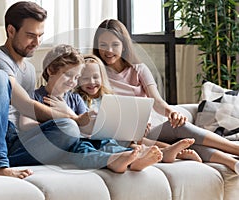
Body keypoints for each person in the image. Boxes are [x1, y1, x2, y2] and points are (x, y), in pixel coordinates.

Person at [0, 1, 89, 179]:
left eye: (40, 35)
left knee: (69, 129)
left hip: (12, 140)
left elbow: (25, 118)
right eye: (31, 35)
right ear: (11, 31)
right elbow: (25, 105)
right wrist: (73, 117)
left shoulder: (30, 70)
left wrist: (71, 123)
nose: (37, 42)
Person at [92, 18, 239, 174]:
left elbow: (157, 101)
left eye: (114, 45)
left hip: (150, 129)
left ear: (124, 46)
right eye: (103, 45)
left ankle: (234, 151)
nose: (108, 50)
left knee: (179, 126)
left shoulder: (138, 69)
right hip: (124, 136)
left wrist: (172, 113)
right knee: (184, 143)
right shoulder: (96, 73)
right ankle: (229, 162)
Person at [28, 44, 163, 173]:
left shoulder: (74, 99)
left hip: (83, 140)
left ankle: (133, 158)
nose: (72, 82)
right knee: (81, 148)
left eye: (76, 77)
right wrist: (59, 121)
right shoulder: (35, 96)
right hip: (60, 146)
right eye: (68, 75)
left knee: (103, 140)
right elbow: (25, 125)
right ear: (51, 70)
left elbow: (87, 128)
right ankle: (113, 161)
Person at [75, 54, 202, 164]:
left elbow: (120, 121)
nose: (91, 82)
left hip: (119, 137)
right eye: (85, 78)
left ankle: (174, 151)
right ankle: (173, 152)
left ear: (102, 78)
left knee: (140, 140)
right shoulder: (78, 100)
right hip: (99, 140)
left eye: (95, 77)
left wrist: (137, 128)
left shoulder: (109, 98)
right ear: (78, 80)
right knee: (131, 144)